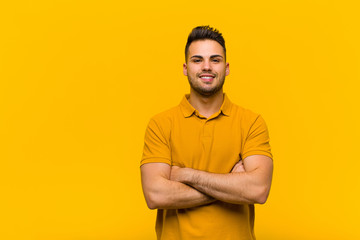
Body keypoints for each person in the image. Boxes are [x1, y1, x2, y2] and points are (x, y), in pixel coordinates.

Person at [140, 25, 273, 240]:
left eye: (215, 60)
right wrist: (231, 184)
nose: (207, 67)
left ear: (227, 67)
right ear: (185, 68)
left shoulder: (251, 122)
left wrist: (186, 175)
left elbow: (258, 190)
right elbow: (155, 195)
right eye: (197, 60)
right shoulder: (161, 124)